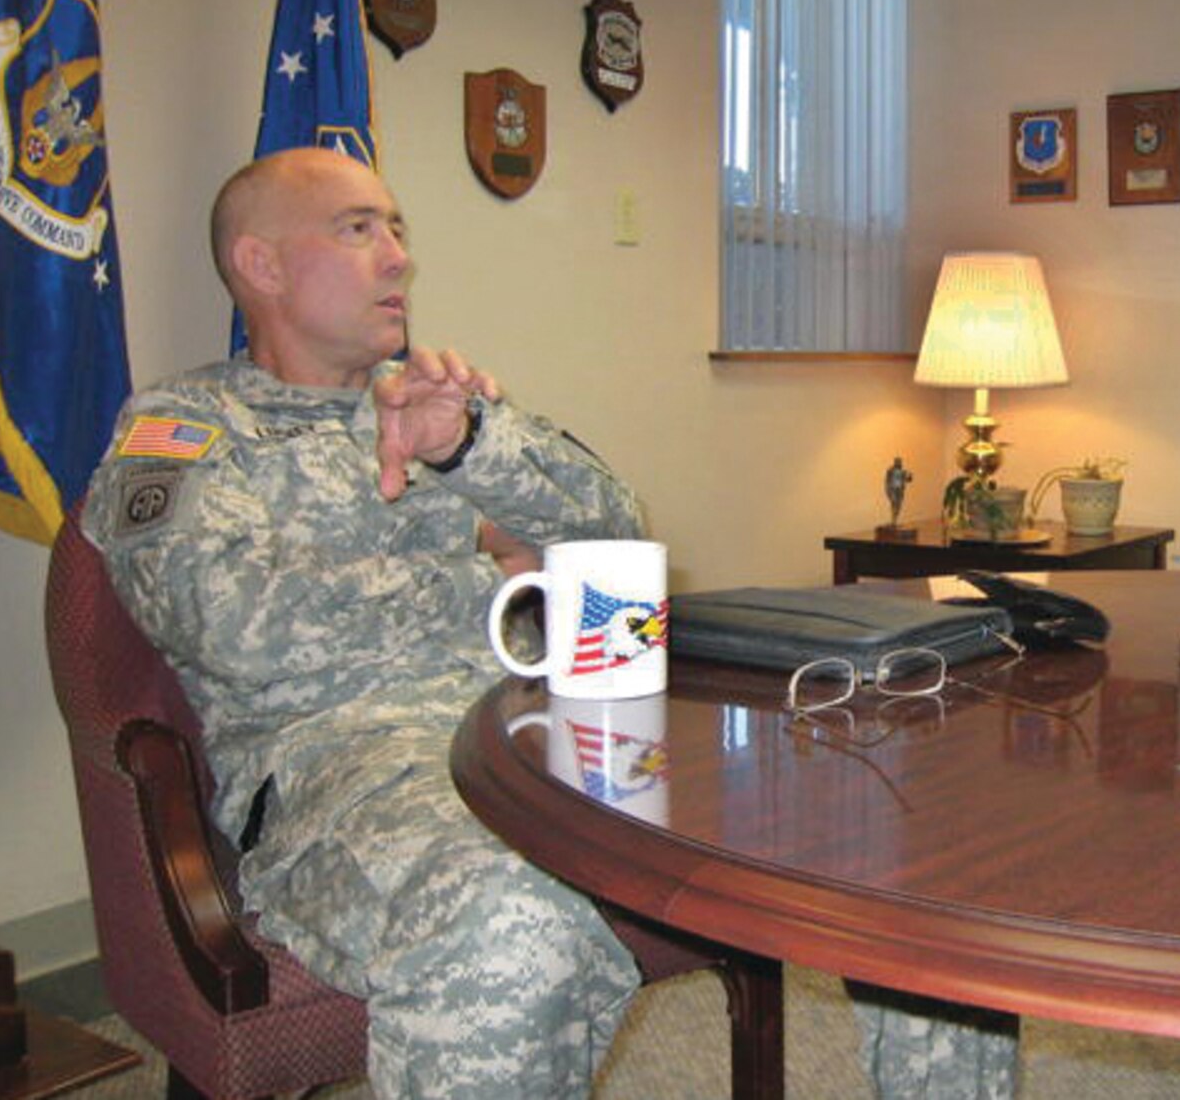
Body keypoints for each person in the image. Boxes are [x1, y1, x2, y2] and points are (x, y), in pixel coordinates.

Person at [83, 148, 1016, 1099]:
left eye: (397, 228)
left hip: (568, 729)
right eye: (358, 229)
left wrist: (471, 444)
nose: (399, 256)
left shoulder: (427, 401)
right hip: (352, 769)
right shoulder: (189, 426)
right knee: (509, 925)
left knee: (898, 846)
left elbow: (617, 534)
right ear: (262, 265)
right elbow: (231, 624)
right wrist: (486, 585)